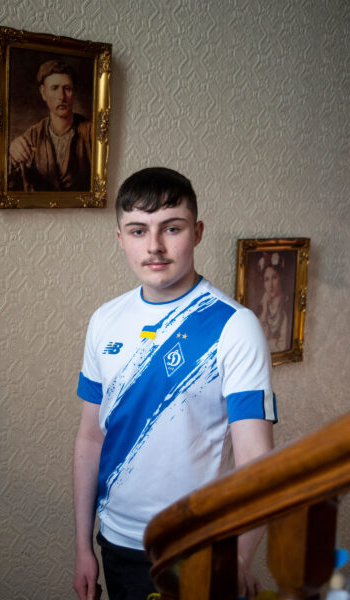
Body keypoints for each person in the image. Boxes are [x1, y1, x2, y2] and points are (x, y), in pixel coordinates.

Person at [73, 167, 277, 600]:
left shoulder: (235, 327)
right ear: (120, 238)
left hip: (197, 548)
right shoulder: (104, 321)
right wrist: (82, 547)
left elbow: (257, 465)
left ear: (197, 232)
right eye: (137, 230)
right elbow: (90, 440)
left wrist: (237, 562)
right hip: (118, 546)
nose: (155, 246)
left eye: (172, 227)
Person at [9, 59, 92, 192]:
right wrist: (13, 155)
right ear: (43, 92)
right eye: (54, 88)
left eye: (67, 89)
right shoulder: (32, 134)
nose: (62, 96)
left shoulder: (90, 132)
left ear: (74, 92)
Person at [257, 252, 291, 353]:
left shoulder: (287, 307)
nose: (270, 285)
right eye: (266, 280)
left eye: (274, 278)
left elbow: (283, 346)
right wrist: (264, 310)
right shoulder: (261, 308)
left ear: (280, 278)